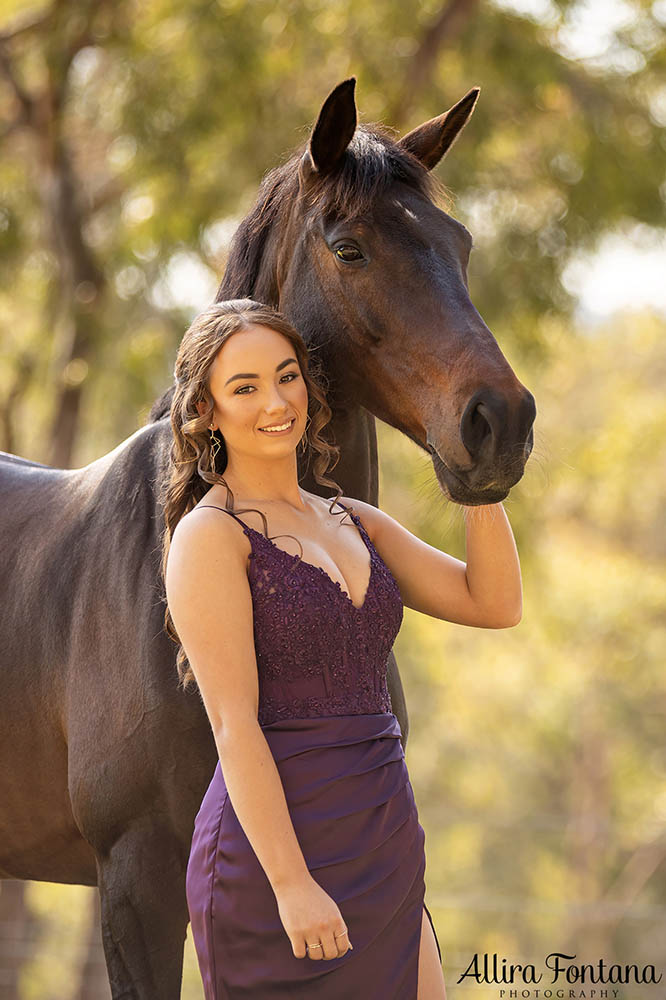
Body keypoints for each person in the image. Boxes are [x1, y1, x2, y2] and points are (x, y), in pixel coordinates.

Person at [162, 298, 522, 999]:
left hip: (383, 837)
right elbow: (234, 727)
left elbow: (494, 602)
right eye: (245, 387)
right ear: (205, 411)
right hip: (275, 859)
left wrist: (480, 474)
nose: (276, 401)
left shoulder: (353, 520)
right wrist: (293, 885)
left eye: (288, 375)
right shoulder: (211, 538)